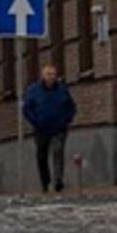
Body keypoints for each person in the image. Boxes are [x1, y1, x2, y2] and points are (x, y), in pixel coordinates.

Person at [22, 63, 77, 193]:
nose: (51, 77)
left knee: (58, 151)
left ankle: (58, 180)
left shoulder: (62, 90)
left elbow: (71, 106)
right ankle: (45, 181)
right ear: (43, 75)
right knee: (42, 154)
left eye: (53, 74)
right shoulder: (34, 90)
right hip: (41, 128)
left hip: (59, 128)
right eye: (48, 74)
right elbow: (27, 109)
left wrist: (66, 119)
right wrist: (36, 121)